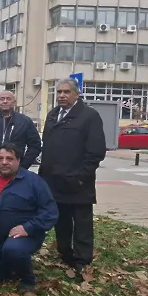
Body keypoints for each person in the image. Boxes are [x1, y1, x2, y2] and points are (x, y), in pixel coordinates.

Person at [0, 144, 59, 292]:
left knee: (13, 249)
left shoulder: (33, 181)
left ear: (18, 161)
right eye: (0, 158)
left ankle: (28, 279)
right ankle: (9, 264)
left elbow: (50, 211)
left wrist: (28, 228)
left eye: (9, 159)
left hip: (25, 236)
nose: (4, 162)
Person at [39, 78, 106, 281]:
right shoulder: (53, 115)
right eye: (59, 92)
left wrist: (80, 177)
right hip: (54, 182)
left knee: (82, 224)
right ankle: (65, 254)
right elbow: (47, 147)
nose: (61, 96)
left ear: (77, 94)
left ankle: (82, 261)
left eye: (66, 92)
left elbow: (96, 152)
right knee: (61, 221)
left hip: (78, 183)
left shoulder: (89, 116)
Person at [0, 90, 42, 172]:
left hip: (16, 172)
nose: (5, 101)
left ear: (14, 102)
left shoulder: (25, 121)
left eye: (8, 99)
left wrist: (23, 166)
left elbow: (35, 145)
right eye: (2, 99)